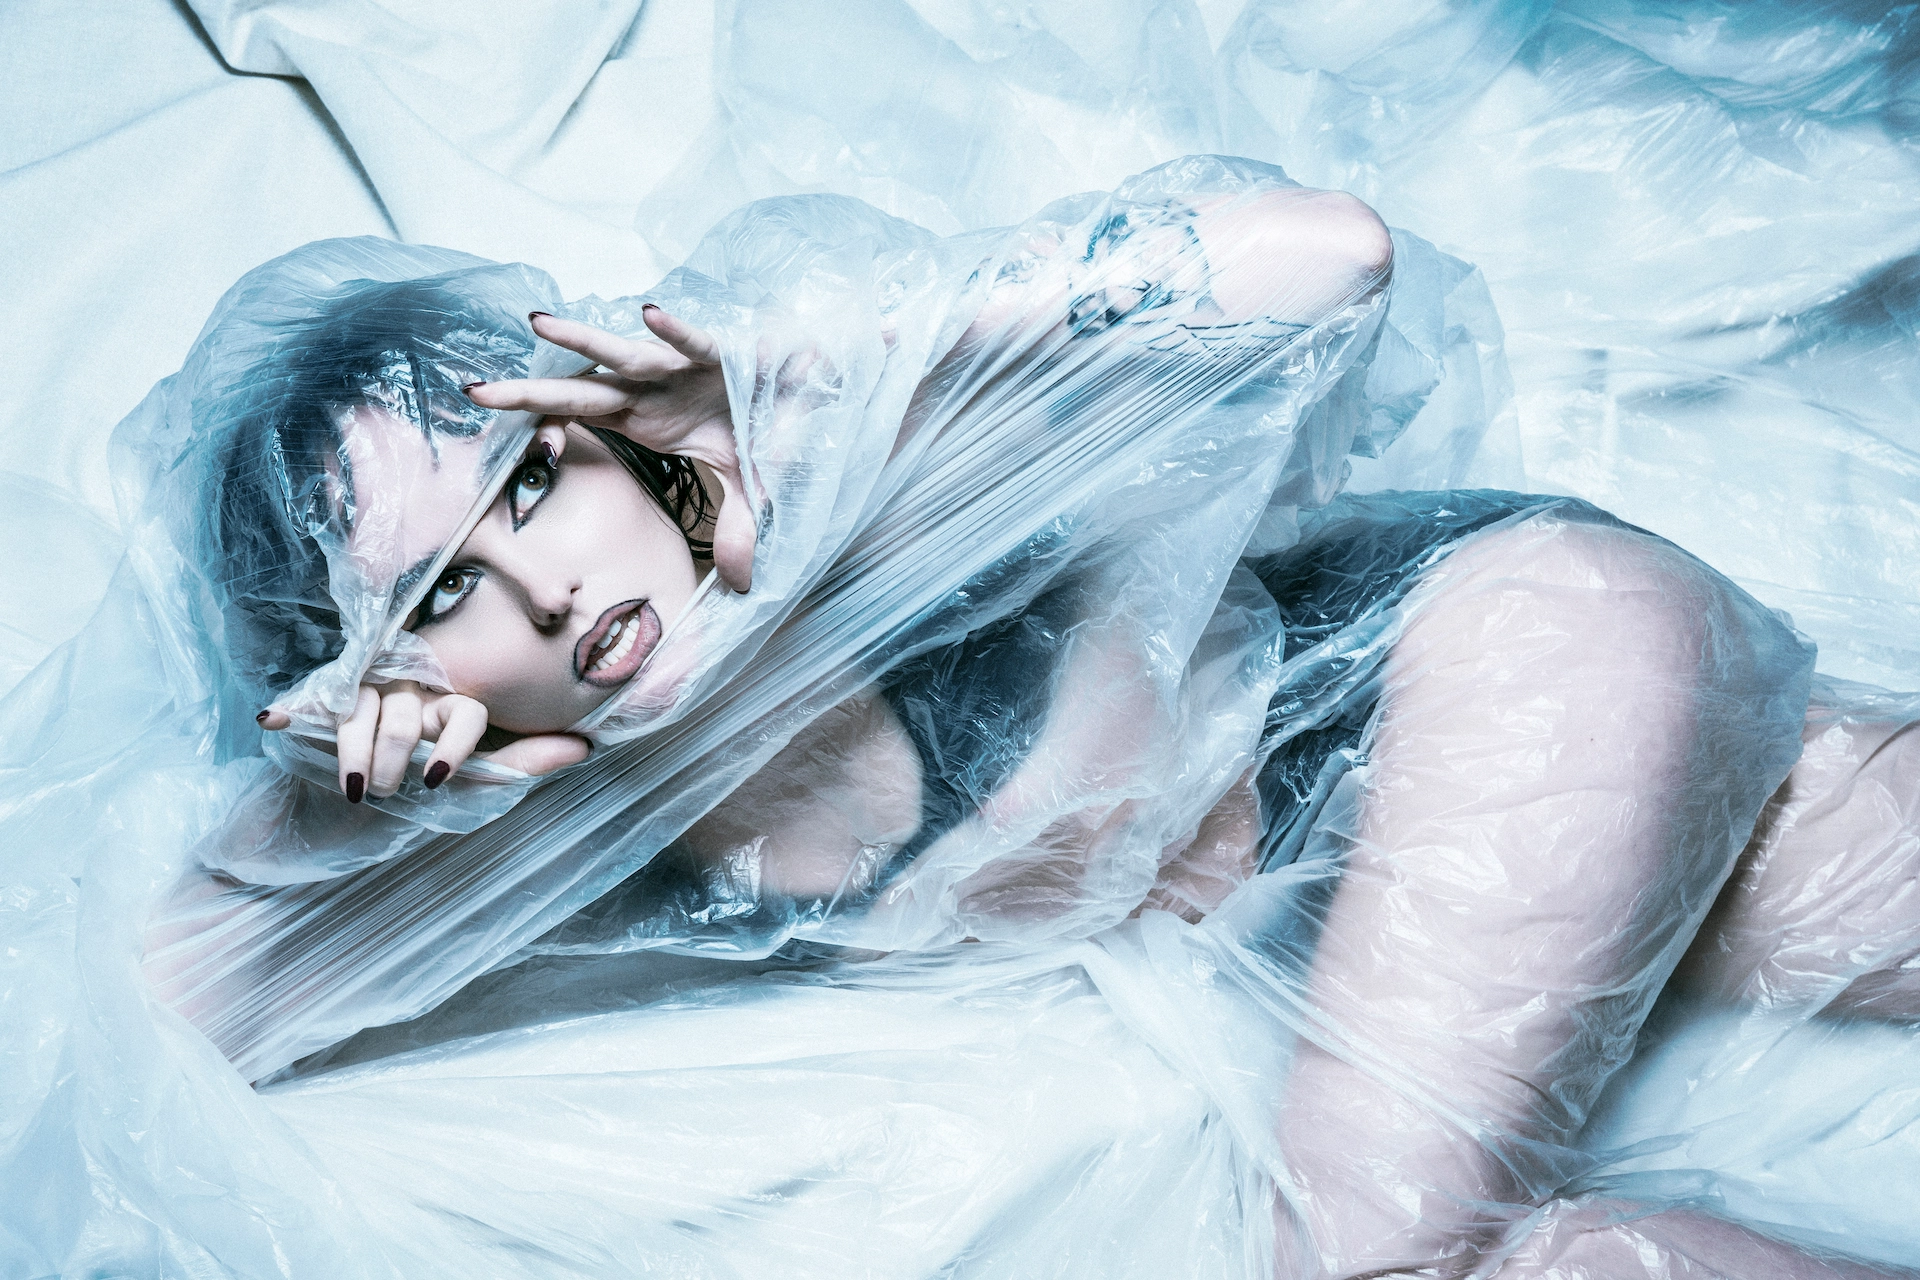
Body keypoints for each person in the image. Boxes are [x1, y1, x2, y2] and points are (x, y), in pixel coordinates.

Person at [145, 157, 1919, 1278]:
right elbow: (145, 1018)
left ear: (612, 414)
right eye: (441, 594)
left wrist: (844, 363)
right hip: (1376, 920)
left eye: (536, 479)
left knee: (1378, 1262)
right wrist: (346, 806)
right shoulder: (529, 832)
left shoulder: (861, 497)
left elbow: (1327, 255)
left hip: (1500, 661)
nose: (546, 590)